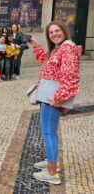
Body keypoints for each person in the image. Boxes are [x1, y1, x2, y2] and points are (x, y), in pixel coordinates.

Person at [30, 21, 81, 185]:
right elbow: (44, 60)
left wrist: (59, 98)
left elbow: (70, 76)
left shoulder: (67, 48)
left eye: (57, 31)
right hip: (49, 96)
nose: (54, 34)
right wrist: (34, 43)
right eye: (51, 32)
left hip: (53, 99)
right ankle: (52, 161)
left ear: (64, 31)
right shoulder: (59, 49)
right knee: (50, 132)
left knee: (49, 133)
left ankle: (52, 173)